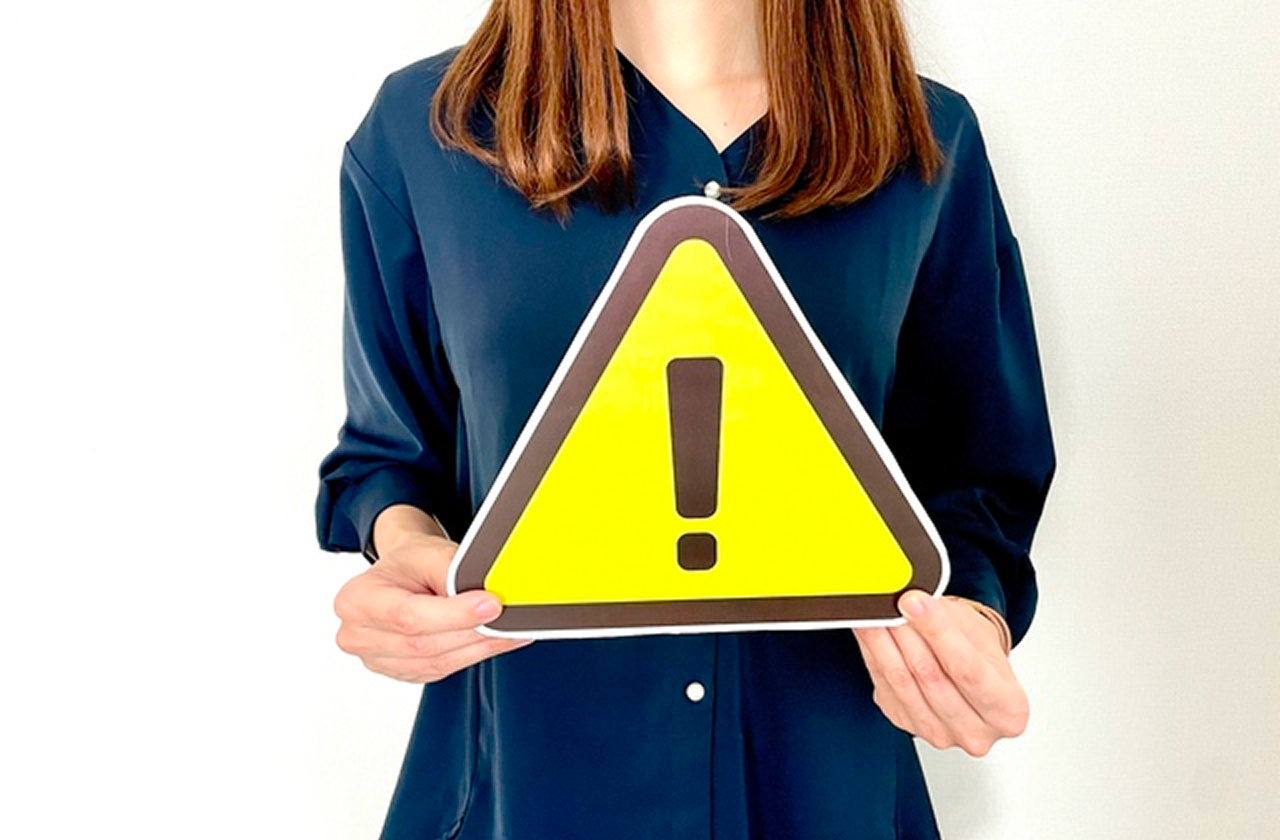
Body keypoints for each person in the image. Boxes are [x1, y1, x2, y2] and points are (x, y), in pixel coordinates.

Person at [316, 1, 1055, 837]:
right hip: (525, 785)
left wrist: (971, 623)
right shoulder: (426, 133)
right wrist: (405, 551)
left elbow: (978, 474)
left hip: (823, 785)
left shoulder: (924, 141)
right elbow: (388, 457)